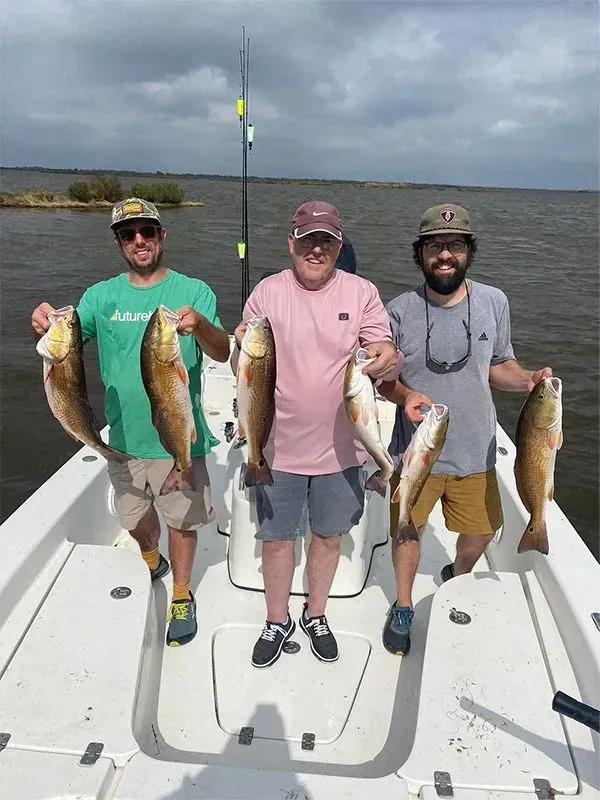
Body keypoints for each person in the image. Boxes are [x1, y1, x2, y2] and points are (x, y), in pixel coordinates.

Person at [31, 197, 230, 648]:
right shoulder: (100, 297)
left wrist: (200, 326)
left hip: (179, 437)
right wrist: (42, 322)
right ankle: (149, 554)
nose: (139, 240)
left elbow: (222, 351)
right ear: (120, 243)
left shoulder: (194, 291)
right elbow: (62, 343)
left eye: (147, 231)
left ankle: (181, 593)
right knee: (133, 518)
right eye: (128, 234)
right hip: (121, 440)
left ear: (162, 236)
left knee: (182, 523)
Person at [378, 203, 553, 656]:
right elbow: (384, 382)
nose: (444, 255)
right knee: (406, 531)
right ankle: (402, 605)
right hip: (415, 451)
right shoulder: (397, 312)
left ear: (468, 252)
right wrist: (404, 397)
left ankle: (457, 572)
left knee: (481, 530)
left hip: (477, 449)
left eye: (454, 245)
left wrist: (529, 380)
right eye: (434, 245)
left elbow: (500, 367)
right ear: (419, 254)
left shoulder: (494, 302)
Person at [231, 200, 399, 669]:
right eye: (307, 240)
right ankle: (275, 617)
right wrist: (240, 344)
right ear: (291, 243)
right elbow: (239, 365)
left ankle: (316, 612)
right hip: (274, 448)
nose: (316, 249)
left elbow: (382, 350)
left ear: (338, 245)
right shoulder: (266, 293)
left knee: (328, 537)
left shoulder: (362, 292)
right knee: (277, 539)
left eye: (326, 241)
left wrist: (387, 355)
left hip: (343, 451)